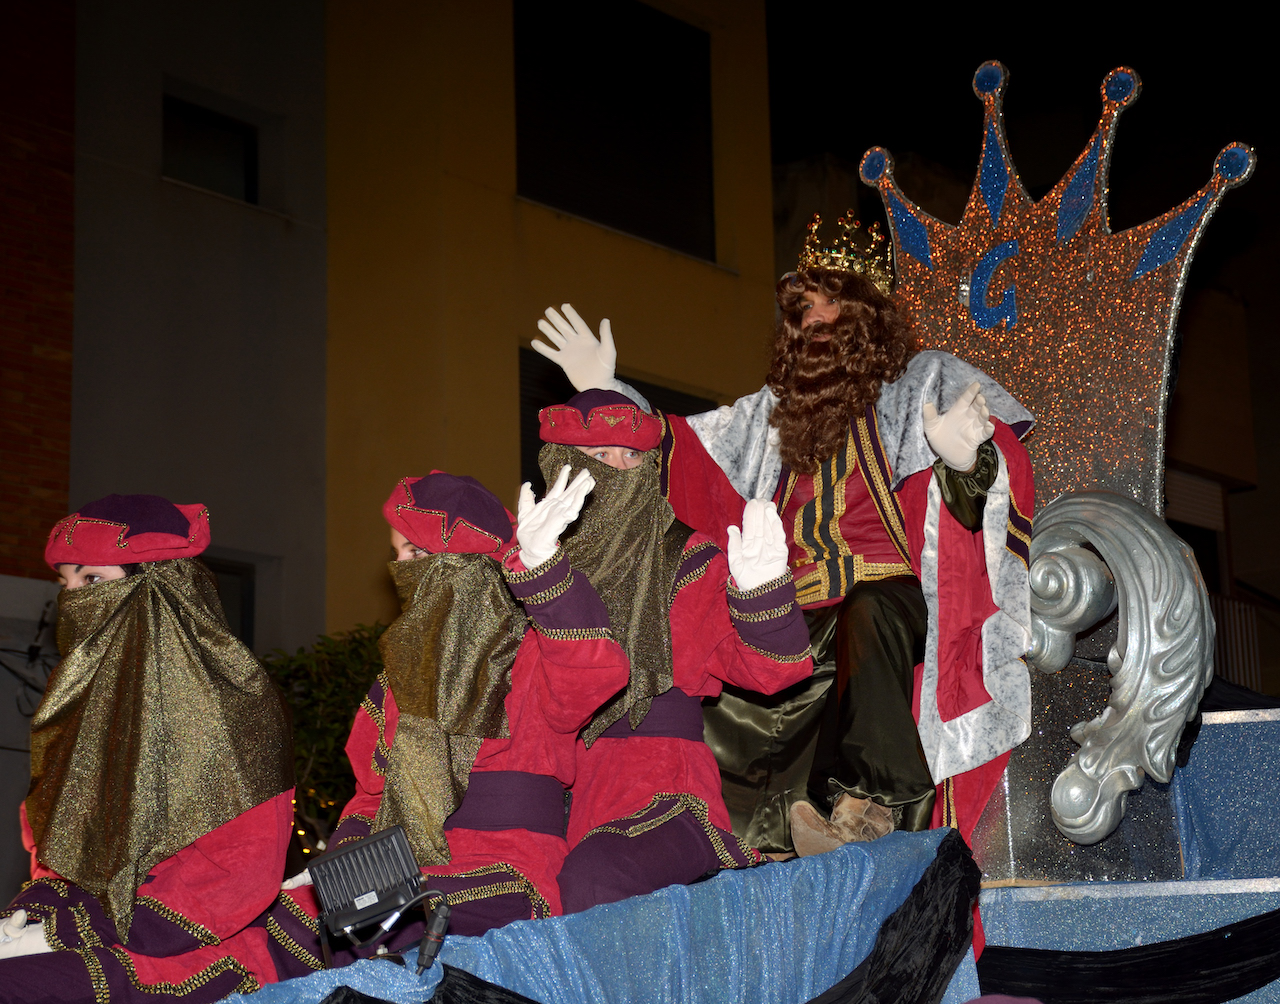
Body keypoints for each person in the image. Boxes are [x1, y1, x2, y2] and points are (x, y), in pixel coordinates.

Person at [532, 214, 1035, 854]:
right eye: (802, 311)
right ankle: (712, 834)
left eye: (830, 305)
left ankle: (866, 809)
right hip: (802, 612)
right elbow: (683, 452)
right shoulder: (770, 419)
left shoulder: (923, 384)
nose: (813, 321)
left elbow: (995, 470)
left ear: (867, 315)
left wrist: (963, 463)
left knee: (869, 610)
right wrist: (609, 393)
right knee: (712, 653)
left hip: (899, 604)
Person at [269, 470, 629, 969]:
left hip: (506, 865)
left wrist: (543, 570)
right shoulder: (398, 677)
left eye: (415, 553)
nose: (399, 568)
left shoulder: (531, 652)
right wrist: (341, 863)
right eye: (396, 554)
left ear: (461, 564)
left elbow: (594, 673)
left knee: (404, 926)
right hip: (397, 863)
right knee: (284, 928)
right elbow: (373, 794)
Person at [0, 494, 296, 1001]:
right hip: (88, 926)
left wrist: (70, 933)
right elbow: (57, 845)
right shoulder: (82, 705)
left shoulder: (230, 704)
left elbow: (237, 871)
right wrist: (36, 918)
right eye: (66, 585)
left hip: (186, 945)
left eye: (92, 581)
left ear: (158, 587)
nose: (73, 600)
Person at [535, 391, 814, 912]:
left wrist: (763, 594)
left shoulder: (685, 556)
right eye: (601, 455)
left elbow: (773, 673)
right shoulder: (530, 564)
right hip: (556, 798)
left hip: (659, 786)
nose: (621, 468)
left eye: (632, 455)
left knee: (594, 880)